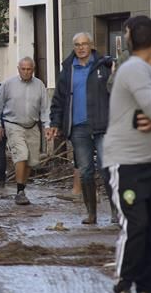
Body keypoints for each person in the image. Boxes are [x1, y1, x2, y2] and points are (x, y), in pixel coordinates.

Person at [101, 15, 151, 293]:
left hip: (148, 162)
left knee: (150, 229)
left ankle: (146, 292)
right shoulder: (133, 68)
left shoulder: (145, 69)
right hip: (126, 164)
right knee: (136, 226)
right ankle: (123, 291)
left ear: (129, 36)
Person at [47, 32, 118, 224]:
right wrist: (55, 122)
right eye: (77, 45)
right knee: (85, 170)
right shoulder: (68, 69)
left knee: (107, 168)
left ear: (91, 45)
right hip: (78, 128)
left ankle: (115, 212)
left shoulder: (104, 66)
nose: (81, 48)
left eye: (84, 44)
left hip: (103, 126)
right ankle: (91, 213)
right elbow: (59, 99)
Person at [0, 58, 50, 206]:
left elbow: (45, 108)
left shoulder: (39, 85)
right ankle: (19, 191)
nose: (26, 72)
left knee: (32, 161)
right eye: (23, 69)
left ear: (33, 69)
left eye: (29, 69)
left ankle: (22, 187)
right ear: (18, 69)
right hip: (13, 124)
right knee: (21, 155)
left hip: (32, 125)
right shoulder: (8, 84)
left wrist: (47, 126)